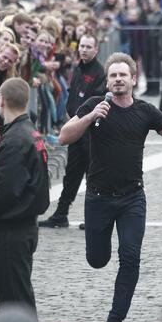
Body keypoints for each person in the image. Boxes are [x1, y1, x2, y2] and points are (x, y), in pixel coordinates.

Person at [58, 52, 162, 322]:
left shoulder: (145, 111)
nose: (118, 79)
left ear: (134, 79)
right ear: (108, 81)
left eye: (123, 75)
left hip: (132, 198)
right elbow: (64, 137)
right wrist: (91, 117)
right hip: (97, 198)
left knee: (130, 258)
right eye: (113, 75)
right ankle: (101, 261)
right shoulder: (96, 105)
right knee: (97, 259)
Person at [0, 78, 50, 310]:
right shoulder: (28, 133)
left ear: (1, 102)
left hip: (11, 228)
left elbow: (1, 190)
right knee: (18, 292)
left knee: (13, 297)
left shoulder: (14, 139)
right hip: (23, 224)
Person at [40, 34, 105, 229]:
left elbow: (96, 101)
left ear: (96, 50)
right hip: (77, 127)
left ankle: (95, 216)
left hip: (90, 131)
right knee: (72, 174)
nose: (84, 49)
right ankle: (61, 213)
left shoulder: (99, 72)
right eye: (82, 46)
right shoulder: (78, 68)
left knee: (92, 175)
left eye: (88, 47)